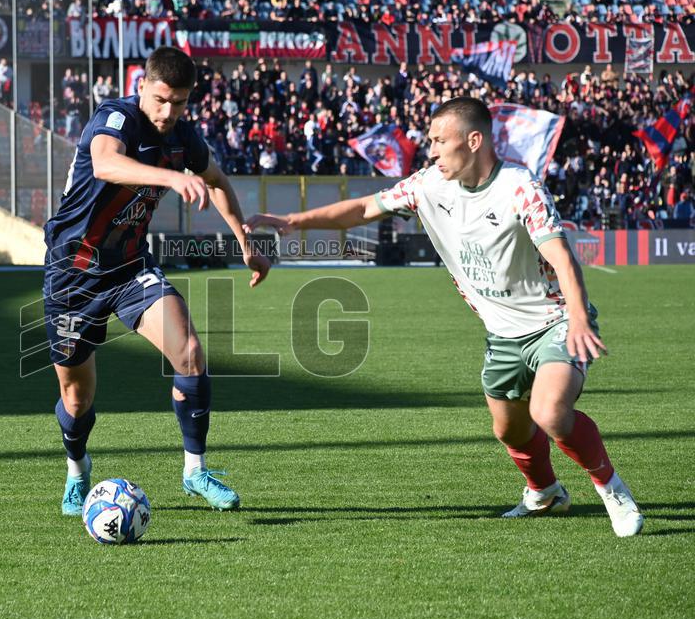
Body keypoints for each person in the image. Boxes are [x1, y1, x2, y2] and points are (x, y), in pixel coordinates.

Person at [245, 97, 643, 537]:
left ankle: (613, 490)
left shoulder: (519, 187)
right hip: (501, 333)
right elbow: (362, 209)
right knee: (509, 431)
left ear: (474, 141)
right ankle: (545, 493)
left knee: (549, 412)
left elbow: (561, 257)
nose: (430, 150)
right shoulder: (428, 184)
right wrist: (294, 220)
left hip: (555, 320)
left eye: (438, 140)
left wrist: (579, 318)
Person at [43, 46, 271, 516]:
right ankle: (77, 470)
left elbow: (217, 180)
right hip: (72, 273)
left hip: (129, 267)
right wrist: (169, 179)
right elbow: (106, 163)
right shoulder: (117, 117)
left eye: (181, 102)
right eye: (162, 99)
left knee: (189, 352)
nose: (169, 112)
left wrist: (243, 238)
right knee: (77, 395)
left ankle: (195, 470)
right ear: (142, 86)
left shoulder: (182, 136)